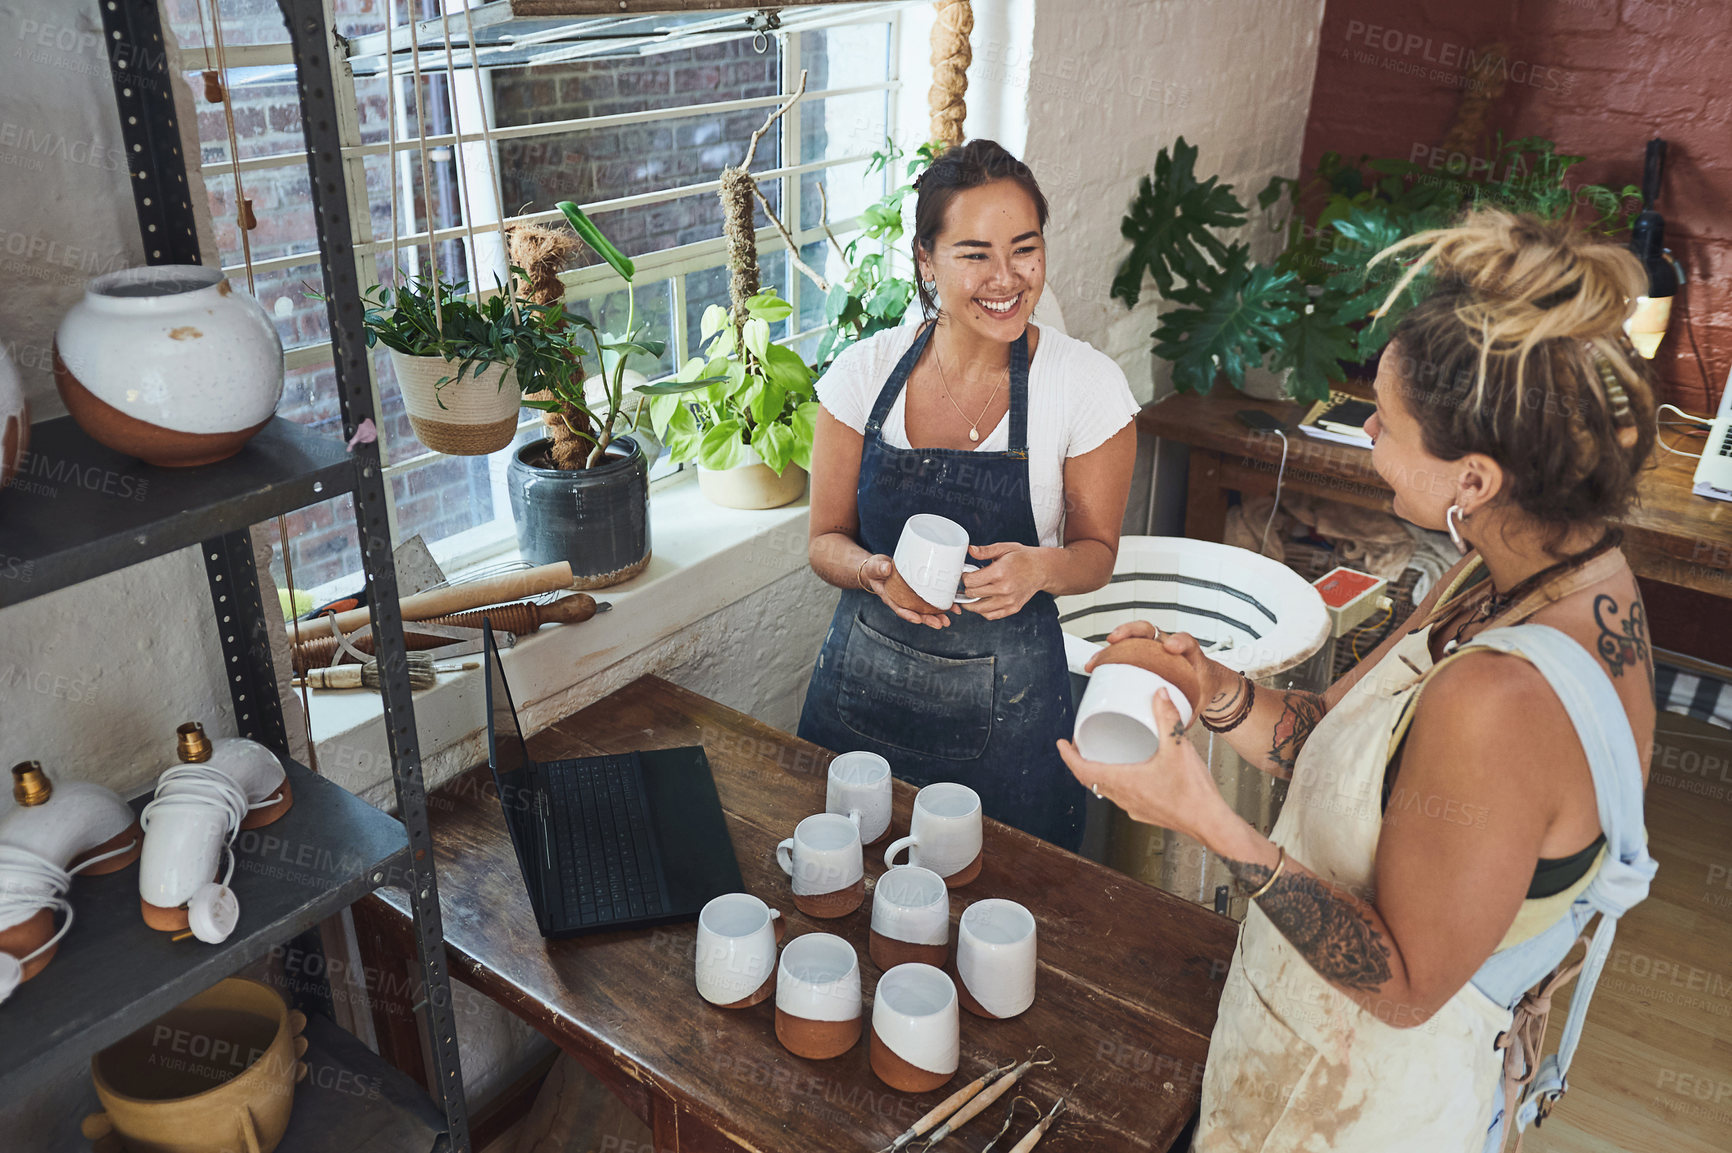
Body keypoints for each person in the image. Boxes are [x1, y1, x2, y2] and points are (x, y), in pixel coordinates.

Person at [1058, 210, 1660, 1150]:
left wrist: (1207, 819)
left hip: (1368, 1106)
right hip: (1301, 1041)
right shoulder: (1537, 571)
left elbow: (1409, 983)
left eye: (1389, 419)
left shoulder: (1501, 701)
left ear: (1473, 478)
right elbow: (1331, 748)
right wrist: (1212, 685)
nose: (1367, 427)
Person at [797, 139, 1139, 850]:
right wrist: (872, 572)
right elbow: (824, 540)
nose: (1007, 277)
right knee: (839, 888)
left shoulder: (1086, 386)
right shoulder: (864, 374)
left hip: (1012, 727)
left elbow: (1097, 553)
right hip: (858, 705)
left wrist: (1040, 569)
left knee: (999, 919)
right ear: (926, 260)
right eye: (974, 253)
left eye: (1025, 247)